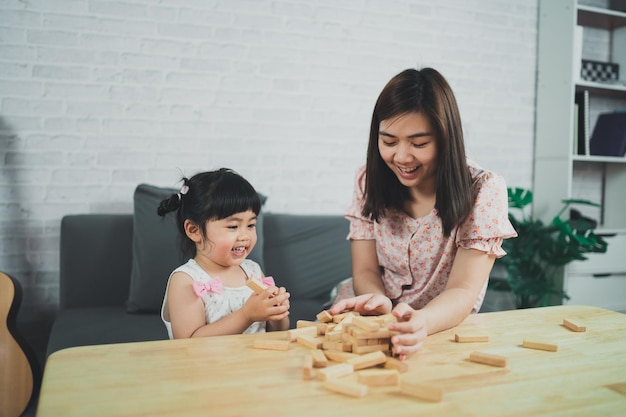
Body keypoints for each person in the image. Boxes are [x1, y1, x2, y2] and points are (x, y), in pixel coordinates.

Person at [329, 68, 517, 360]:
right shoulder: (368, 179)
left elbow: (464, 291)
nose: (402, 157)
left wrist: (422, 322)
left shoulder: (483, 188)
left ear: (446, 139)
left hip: (437, 327)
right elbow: (365, 271)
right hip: (370, 315)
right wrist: (379, 303)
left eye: (419, 144)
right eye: (389, 142)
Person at [158, 168, 290, 339]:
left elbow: (277, 333)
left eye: (251, 225)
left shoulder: (253, 271)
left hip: (255, 363)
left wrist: (277, 311)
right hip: (207, 365)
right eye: (233, 226)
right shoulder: (186, 280)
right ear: (194, 230)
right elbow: (189, 343)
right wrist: (246, 315)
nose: (245, 236)